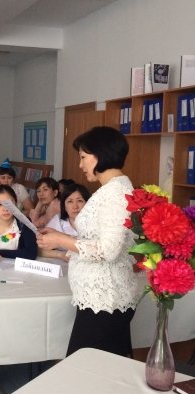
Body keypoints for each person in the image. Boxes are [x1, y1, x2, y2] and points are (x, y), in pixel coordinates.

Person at [37, 126, 140, 357]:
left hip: (105, 301)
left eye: (83, 157)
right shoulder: (110, 190)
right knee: (101, 367)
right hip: (99, 299)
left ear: (100, 155)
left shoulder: (114, 193)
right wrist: (63, 238)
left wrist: (61, 238)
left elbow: (108, 250)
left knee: (85, 367)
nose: (80, 165)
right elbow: (99, 240)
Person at [39, 183, 91, 261]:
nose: (75, 206)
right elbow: (38, 248)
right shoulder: (58, 221)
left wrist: (61, 237)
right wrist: (61, 255)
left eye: (79, 201)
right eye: (70, 201)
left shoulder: (96, 222)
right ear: (64, 206)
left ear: (88, 203)